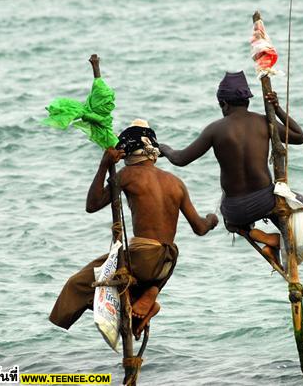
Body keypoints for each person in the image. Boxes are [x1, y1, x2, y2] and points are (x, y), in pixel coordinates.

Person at [49, 57, 218, 339]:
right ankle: (144, 302)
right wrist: (212, 220)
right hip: (166, 263)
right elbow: (200, 228)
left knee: (76, 286)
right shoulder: (176, 182)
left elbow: (92, 206)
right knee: (124, 282)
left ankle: (136, 303)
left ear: (128, 153)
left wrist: (104, 164)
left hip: (141, 257)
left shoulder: (129, 176)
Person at [159, 71, 303, 264]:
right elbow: (299, 137)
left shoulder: (215, 129)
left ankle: (263, 240)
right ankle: (278, 241)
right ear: (248, 102)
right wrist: (277, 109)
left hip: (234, 211)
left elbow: (180, 159)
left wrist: (164, 148)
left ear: (224, 104)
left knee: (230, 220)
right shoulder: (264, 121)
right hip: (266, 202)